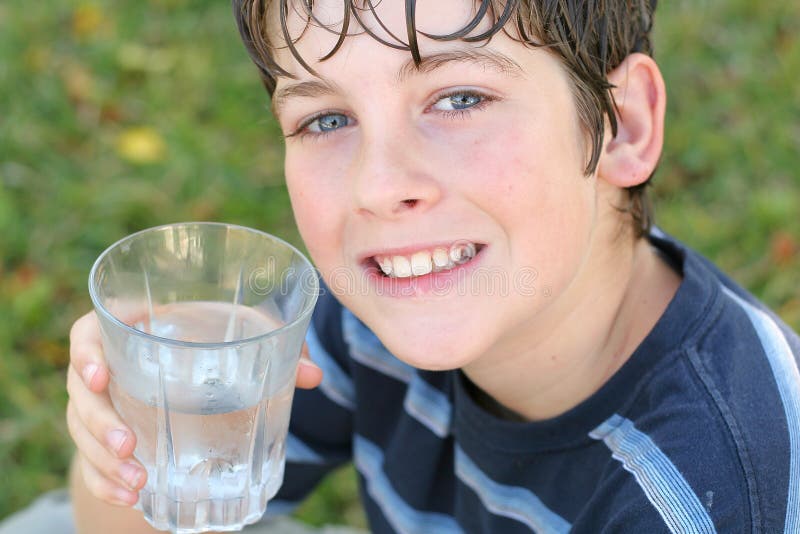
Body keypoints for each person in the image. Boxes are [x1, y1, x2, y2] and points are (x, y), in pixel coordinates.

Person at [62, 0, 800, 532]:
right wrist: (134, 429)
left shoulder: (708, 497)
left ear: (621, 124)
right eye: (326, 119)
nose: (380, 189)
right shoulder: (373, 311)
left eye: (459, 97)